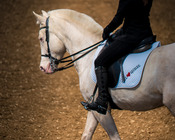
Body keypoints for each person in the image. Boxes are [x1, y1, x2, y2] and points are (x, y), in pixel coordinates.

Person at [81, 0, 154, 115]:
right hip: (145, 32)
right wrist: (121, 31)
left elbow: (118, 18)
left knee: (100, 61)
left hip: (132, 36)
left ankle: (102, 100)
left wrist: (107, 30)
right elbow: (136, 15)